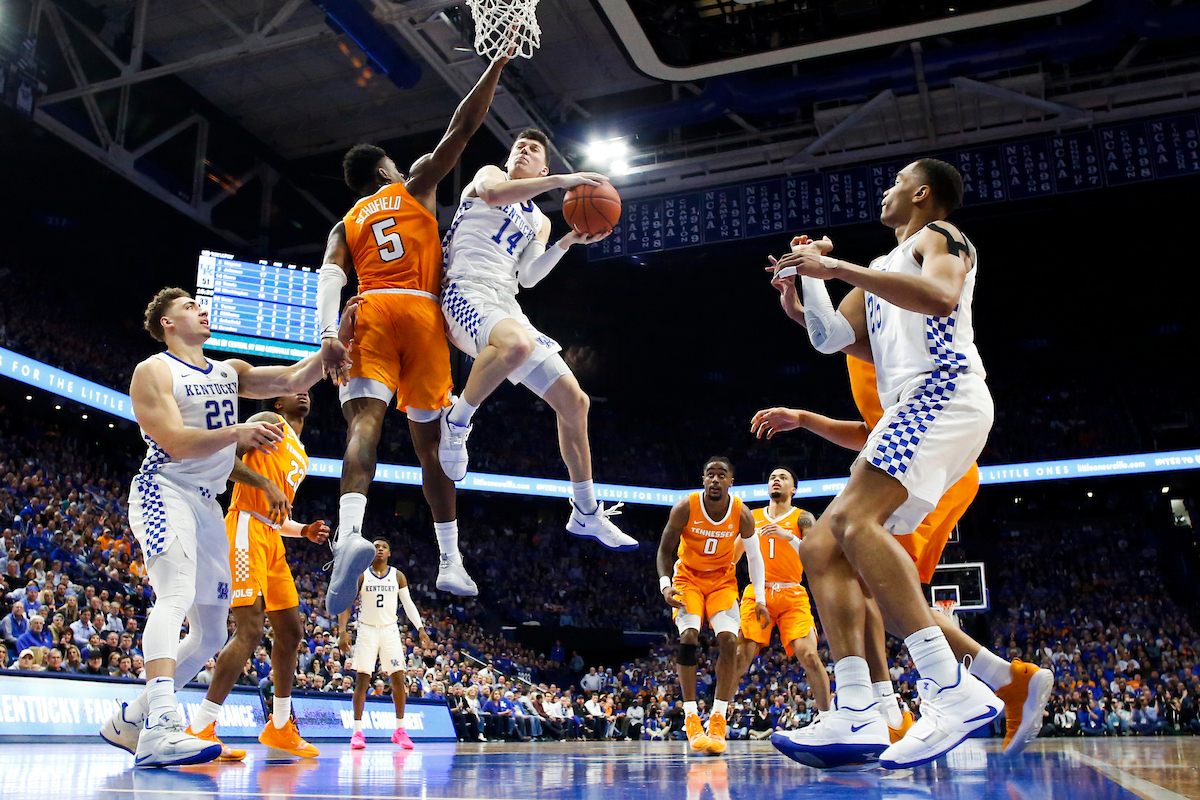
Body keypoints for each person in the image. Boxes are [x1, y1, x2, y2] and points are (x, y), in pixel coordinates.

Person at [761, 159, 1008, 770]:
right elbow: (832, 339)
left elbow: (943, 295)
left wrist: (834, 266)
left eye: (896, 182)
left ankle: (952, 690)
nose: (885, 190)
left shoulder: (940, 238)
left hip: (943, 391)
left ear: (921, 194)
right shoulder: (876, 276)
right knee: (822, 546)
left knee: (852, 524)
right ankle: (857, 711)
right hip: (911, 402)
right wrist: (803, 293)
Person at [98, 287, 341, 768]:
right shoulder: (154, 370)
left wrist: (333, 344)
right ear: (167, 324)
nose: (200, 309)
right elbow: (174, 441)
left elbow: (294, 376)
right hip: (163, 488)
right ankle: (161, 729)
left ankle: (130, 719)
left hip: (207, 506)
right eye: (188, 306)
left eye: (199, 304)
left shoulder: (229, 372)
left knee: (211, 633)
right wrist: (237, 433)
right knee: (173, 596)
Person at [317, 55, 514, 612]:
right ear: (385, 171)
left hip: (371, 311)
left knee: (364, 425)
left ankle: (349, 531)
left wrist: (328, 333)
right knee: (429, 447)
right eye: (395, 165)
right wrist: (496, 62)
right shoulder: (415, 186)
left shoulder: (346, 222)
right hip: (423, 314)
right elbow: (464, 125)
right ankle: (450, 560)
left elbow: (331, 274)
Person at [436, 130, 635, 553]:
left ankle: (585, 510)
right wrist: (563, 181)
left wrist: (565, 241)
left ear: (542, 166)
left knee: (575, 402)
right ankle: (455, 421)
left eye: (533, 150)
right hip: (463, 290)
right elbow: (491, 196)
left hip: (506, 303)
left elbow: (528, 277)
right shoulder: (490, 175)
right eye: (518, 147)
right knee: (517, 347)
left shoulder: (541, 220)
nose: (522, 150)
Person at [182, 391, 336, 762]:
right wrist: (259, 484)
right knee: (249, 629)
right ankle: (201, 726)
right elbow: (223, 458)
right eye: (294, 389)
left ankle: (280, 725)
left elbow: (279, 516)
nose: (305, 392)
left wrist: (303, 531)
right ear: (278, 403)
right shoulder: (269, 420)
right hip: (245, 526)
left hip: (271, 535)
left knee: (292, 632)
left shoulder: (301, 453)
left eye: (310, 391)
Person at [657, 456, 767, 755]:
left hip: (721, 582)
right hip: (687, 579)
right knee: (689, 637)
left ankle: (718, 718)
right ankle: (692, 717)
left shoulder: (742, 513)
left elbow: (755, 558)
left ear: (731, 481)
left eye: (722, 475)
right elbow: (665, 549)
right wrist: (665, 585)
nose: (715, 479)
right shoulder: (685, 507)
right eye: (710, 474)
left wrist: (760, 599)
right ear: (703, 479)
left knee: (730, 641)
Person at [732, 467, 829, 723]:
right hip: (757, 592)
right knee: (741, 656)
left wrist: (789, 537)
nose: (776, 479)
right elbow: (731, 557)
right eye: (773, 477)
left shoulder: (803, 518)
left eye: (783, 477)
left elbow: (816, 557)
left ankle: (828, 718)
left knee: (809, 655)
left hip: (791, 592)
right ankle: (717, 717)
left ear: (793, 489)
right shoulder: (751, 517)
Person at [337, 538, 432, 750]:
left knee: (399, 677)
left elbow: (408, 604)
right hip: (367, 629)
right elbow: (345, 604)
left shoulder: (398, 576)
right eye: (376, 546)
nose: (379, 549)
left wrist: (421, 629)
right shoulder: (361, 574)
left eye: (384, 547)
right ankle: (357, 732)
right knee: (362, 680)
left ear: (389, 552)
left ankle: (399, 730)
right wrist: (342, 632)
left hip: (390, 630)